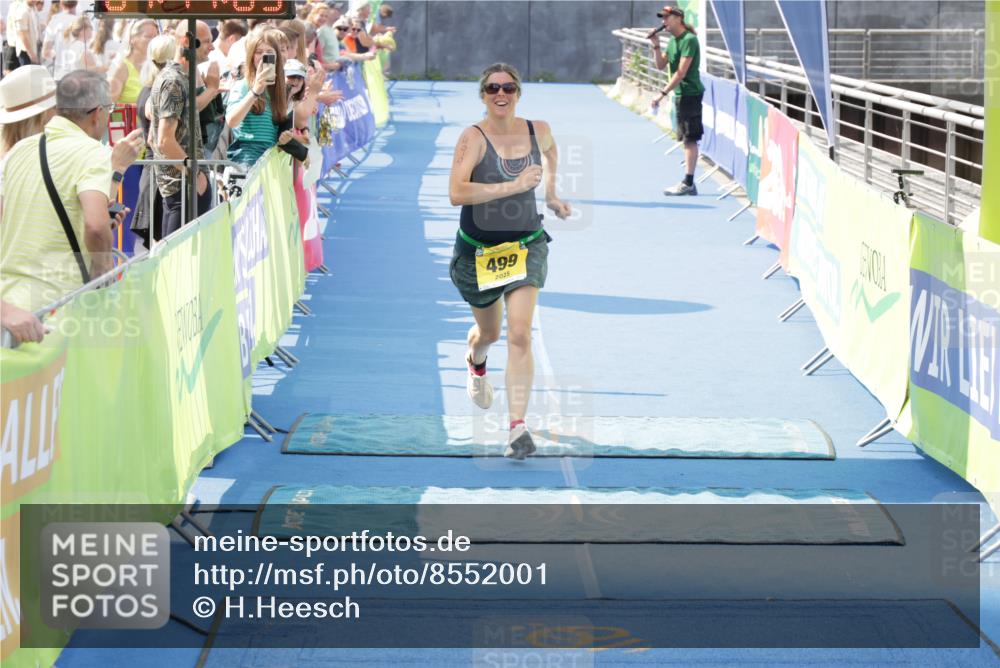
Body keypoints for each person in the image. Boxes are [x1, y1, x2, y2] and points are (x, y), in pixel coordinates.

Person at [447, 63, 572, 460]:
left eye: (508, 87)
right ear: (483, 95)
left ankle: (517, 427)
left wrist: (551, 194)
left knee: (520, 333)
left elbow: (551, 152)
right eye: (492, 88)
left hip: (526, 244)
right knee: (489, 333)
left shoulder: (538, 129)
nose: (501, 94)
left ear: (518, 93)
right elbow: (456, 192)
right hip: (478, 252)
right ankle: (476, 360)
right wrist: (513, 186)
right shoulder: (473, 137)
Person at [0, 70, 144, 314]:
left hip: (11, 299)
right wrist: (103, 277)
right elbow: (95, 227)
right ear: (98, 113)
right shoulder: (91, 152)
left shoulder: (17, 152)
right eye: (109, 109)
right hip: (58, 301)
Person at [149, 21, 217, 238]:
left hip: (182, 188)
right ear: (188, 42)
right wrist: (194, 174)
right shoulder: (173, 81)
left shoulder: (177, 78)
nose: (212, 47)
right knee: (176, 256)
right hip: (183, 189)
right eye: (207, 42)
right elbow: (163, 141)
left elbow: (154, 138)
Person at [224, 29, 291, 193]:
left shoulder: (278, 89)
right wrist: (255, 91)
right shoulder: (243, 85)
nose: (263, 57)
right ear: (251, 56)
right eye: (259, 52)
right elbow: (231, 120)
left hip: (269, 162)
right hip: (245, 162)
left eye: (269, 53)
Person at [649, 5, 704, 196]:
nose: (663, 21)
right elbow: (660, 65)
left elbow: (681, 73)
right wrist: (656, 45)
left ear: (678, 19)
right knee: (686, 138)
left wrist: (661, 94)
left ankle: (688, 182)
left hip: (690, 94)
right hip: (681, 95)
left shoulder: (689, 40)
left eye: (666, 17)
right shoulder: (673, 41)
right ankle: (689, 182)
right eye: (662, 18)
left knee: (690, 139)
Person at [108, 18, 158, 104]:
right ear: (132, 39)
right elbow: (107, 106)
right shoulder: (120, 68)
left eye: (155, 37)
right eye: (148, 36)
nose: (153, 41)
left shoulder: (155, 66)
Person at [52, 16, 94, 81]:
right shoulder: (81, 47)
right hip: (78, 82)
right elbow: (91, 69)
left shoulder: (75, 45)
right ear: (82, 31)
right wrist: (106, 66)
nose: (92, 29)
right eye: (90, 27)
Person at [6, 0, 40, 68]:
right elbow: (22, 34)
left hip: (31, 50)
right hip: (25, 52)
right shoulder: (22, 11)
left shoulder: (32, 9)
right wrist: (31, 54)